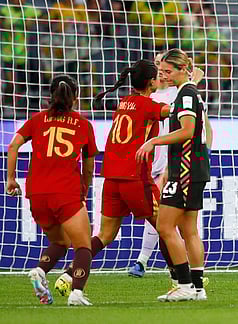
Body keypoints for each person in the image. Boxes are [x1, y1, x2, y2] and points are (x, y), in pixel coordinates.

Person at [55, 59, 173, 296]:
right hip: (135, 177)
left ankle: (68, 275)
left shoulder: (123, 103)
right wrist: (190, 87)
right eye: (158, 75)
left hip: (111, 176)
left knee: (105, 234)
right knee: (167, 227)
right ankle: (183, 279)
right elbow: (176, 111)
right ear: (151, 82)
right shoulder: (148, 106)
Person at [6, 75, 98, 306]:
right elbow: (88, 164)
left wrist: (10, 179)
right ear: (75, 98)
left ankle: (40, 270)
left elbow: (13, 145)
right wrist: (84, 189)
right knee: (83, 245)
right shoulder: (83, 124)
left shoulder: (37, 120)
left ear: (50, 96)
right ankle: (76, 294)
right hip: (65, 191)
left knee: (60, 241)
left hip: (36, 193)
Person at [128, 54, 213, 286]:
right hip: (189, 168)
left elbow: (187, 130)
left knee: (165, 225)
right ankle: (196, 287)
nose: (162, 75)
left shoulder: (186, 94)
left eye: (166, 71)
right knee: (188, 230)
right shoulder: (188, 92)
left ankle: (184, 284)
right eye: (160, 70)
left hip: (184, 170)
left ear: (182, 69)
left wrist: (154, 141)